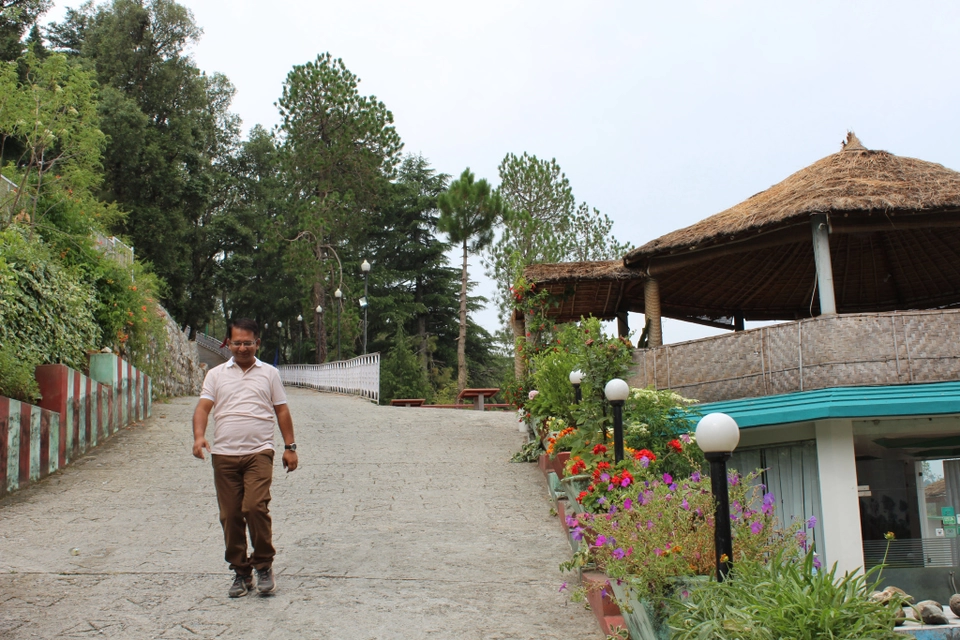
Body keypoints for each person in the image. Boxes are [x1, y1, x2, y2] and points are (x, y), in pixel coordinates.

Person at [192, 318, 298, 597]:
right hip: (224, 456)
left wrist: (290, 447)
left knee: (254, 507)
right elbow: (203, 408)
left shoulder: (270, 373)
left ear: (257, 344)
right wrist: (199, 436)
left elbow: (282, 411)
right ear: (228, 344)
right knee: (230, 516)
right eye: (237, 342)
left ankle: (263, 564)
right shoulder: (215, 375)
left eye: (247, 342)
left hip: (259, 453)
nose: (242, 348)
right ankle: (241, 572)